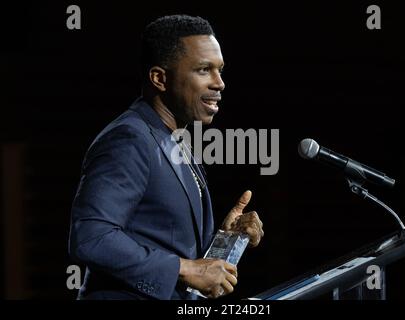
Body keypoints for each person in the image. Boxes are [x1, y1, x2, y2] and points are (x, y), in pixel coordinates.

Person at [68, 14, 264, 300]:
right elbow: (90, 237)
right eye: (203, 70)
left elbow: (165, 243)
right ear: (160, 78)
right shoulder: (129, 138)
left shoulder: (175, 140)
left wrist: (225, 239)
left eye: (220, 70)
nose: (219, 83)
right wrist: (185, 269)